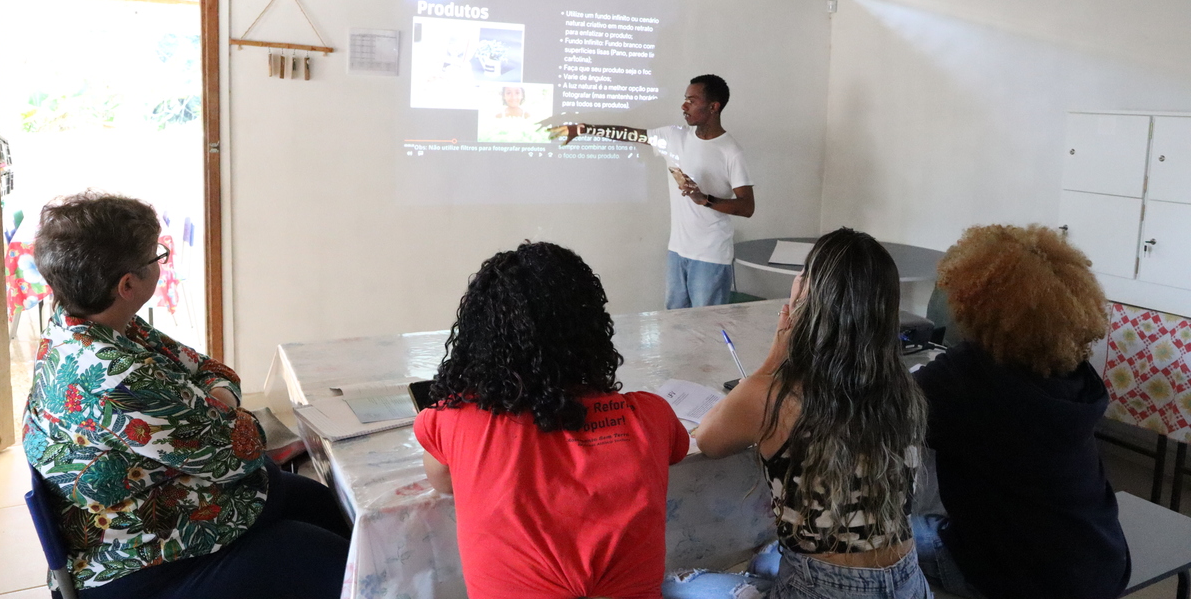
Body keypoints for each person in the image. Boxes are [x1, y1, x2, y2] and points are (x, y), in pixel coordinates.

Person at [21, 192, 350, 599]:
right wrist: (224, 409)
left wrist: (217, 402)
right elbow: (242, 451)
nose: (161, 262)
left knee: (323, 503)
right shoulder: (116, 374)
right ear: (127, 284)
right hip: (140, 559)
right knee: (328, 558)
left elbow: (214, 370)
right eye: (155, 257)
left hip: (163, 507)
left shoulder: (85, 323)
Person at [413, 241, 690, 599]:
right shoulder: (651, 415)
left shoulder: (453, 419)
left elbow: (442, 481)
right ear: (593, 328)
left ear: (480, 335)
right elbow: (679, 451)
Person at [683, 228, 930, 599]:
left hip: (824, 589)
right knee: (768, 560)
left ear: (811, 296)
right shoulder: (903, 389)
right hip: (907, 581)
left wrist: (772, 361)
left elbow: (708, 439)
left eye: (803, 272)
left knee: (679, 584)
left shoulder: (773, 394)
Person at [911, 224, 1130, 599]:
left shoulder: (967, 378)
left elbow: (876, 411)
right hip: (1101, 563)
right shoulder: (1072, 372)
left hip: (1018, 581)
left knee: (877, 533)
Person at [549, 74, 753, 309]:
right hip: (677, 252)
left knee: (707, 330)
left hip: (711, 256)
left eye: (692, 100)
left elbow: (747, 207)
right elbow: (630, 134)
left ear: (713, 106)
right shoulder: (674, 137)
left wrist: (704, 199)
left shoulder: (730, 151)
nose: (684, 105)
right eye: (685, 99)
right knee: (674, 326)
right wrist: (584, 129)